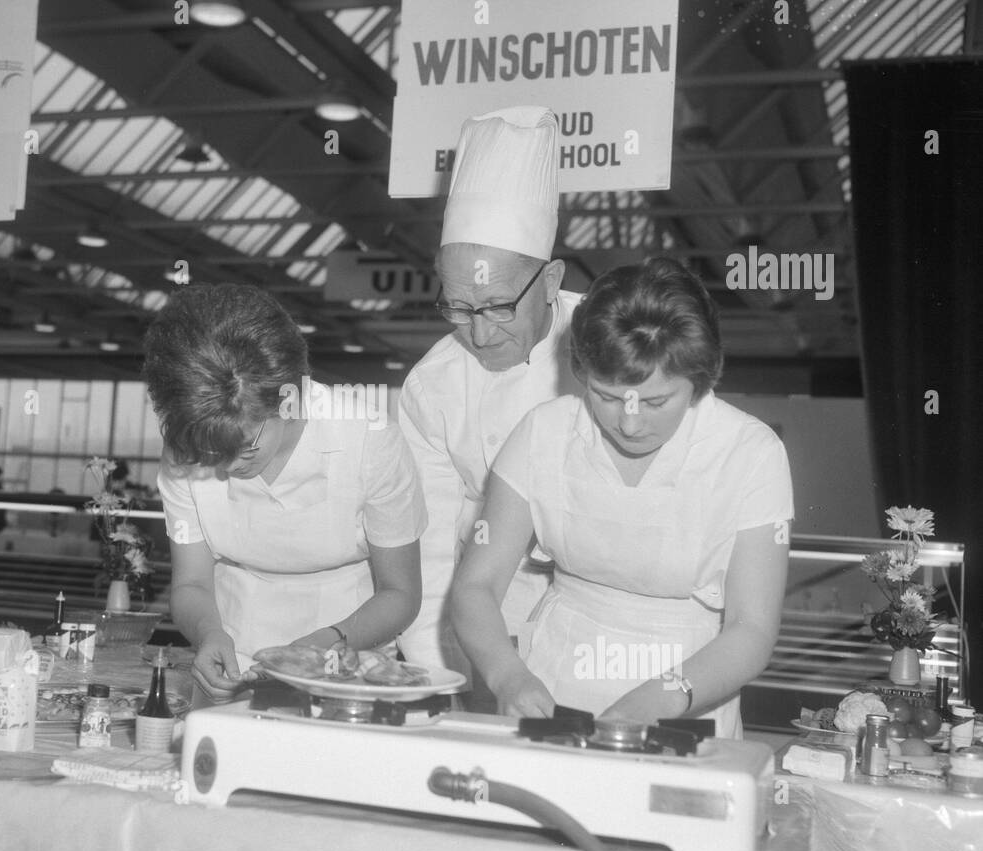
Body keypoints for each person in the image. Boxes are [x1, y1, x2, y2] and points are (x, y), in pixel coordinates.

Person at [450, 259, 793, 737]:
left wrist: (660, 699)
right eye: (606, 397)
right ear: (581, 371)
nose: (629, 424)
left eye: (656, 402)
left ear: (701, 381)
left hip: (689, 689)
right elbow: (476, 586)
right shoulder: (542, 432)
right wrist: (507, 675)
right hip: (553, 676)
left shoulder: (750, 452)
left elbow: (751, 628)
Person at [146, 284, 427, 702]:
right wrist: (208, 633)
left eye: (245, 447)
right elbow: (192, 583)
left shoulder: (369, 440)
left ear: (289, 400)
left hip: (347, 658)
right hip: (232, 660)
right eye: (211, 454)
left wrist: (329, 642)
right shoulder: (186, 446)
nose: (226, 468)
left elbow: (400, 594)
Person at [397, 106, 580, 693]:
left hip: (596, 625)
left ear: (550, 281)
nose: (478, 333)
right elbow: (426, 547)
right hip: (485, 630)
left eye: (498, 307)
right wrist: (435, 675)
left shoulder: (616, 346)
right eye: (457, 307)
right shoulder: (432, 385)